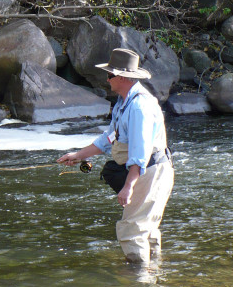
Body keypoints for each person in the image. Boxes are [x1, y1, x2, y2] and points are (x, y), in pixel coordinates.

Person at [57, 48, 174, 264]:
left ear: (121, 77)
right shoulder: (124, 102)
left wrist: (128, 186)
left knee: (132, 231)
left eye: (109, 75)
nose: (107, 79)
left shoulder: (140, 106)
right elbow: (109, 138)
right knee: (146, 228)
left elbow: (139, 152)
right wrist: (78, 155)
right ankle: (153, 280)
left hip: (150, 172)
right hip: (150, 171)